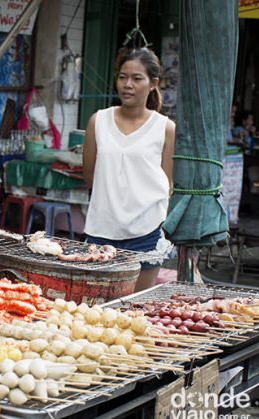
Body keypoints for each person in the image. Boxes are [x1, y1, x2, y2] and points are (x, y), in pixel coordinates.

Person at [83, 47, 176, 292]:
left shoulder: (165, 128)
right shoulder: (98, 121)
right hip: (101, 229)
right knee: (95, 311)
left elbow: (168, 184)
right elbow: (89, 176)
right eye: (123, 77)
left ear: (153, 83)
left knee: (136, 310)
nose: (128, 84)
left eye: (137, 78)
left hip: (145, 231)